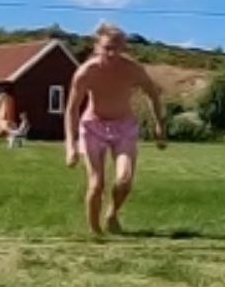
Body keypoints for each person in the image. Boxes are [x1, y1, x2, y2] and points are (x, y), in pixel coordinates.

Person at [64, 23, 166, 236]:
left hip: (124, 126)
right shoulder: (86, 73)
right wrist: (70, 146)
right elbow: (72, 109)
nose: (113, 53)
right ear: (97, 47)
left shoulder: (133, 70)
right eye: (108, 48)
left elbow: (153, 94)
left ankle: (112, 214)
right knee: (96, 184)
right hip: (93, 126)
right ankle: (95, 232)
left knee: (124, 179)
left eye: (118, 48)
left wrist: (159, 124)